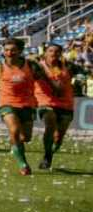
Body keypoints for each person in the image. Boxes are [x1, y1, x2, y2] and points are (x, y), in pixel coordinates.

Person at [0, 38, 57, 175]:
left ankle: (15, 146)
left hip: (27, 103)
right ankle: (23, 164)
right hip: (7, 102)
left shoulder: (31, 65)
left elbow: (42, 79)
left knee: (25, 137)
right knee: (14, 131)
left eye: (13, 50)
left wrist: (52, 91)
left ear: (20, 51)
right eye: (7, 50)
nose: (9, 53)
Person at [35, 42, 83, 170]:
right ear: (45, 52)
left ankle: (50, 152)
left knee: (58, 137)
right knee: (50, 123)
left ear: (60, 54)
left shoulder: (68, 66)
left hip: (66, 103)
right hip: (45, 101)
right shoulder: (37, 67)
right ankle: (47, 157)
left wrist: (79, 80)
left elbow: (81, 73)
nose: (53, 54)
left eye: (57, 52)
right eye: (51, 51)